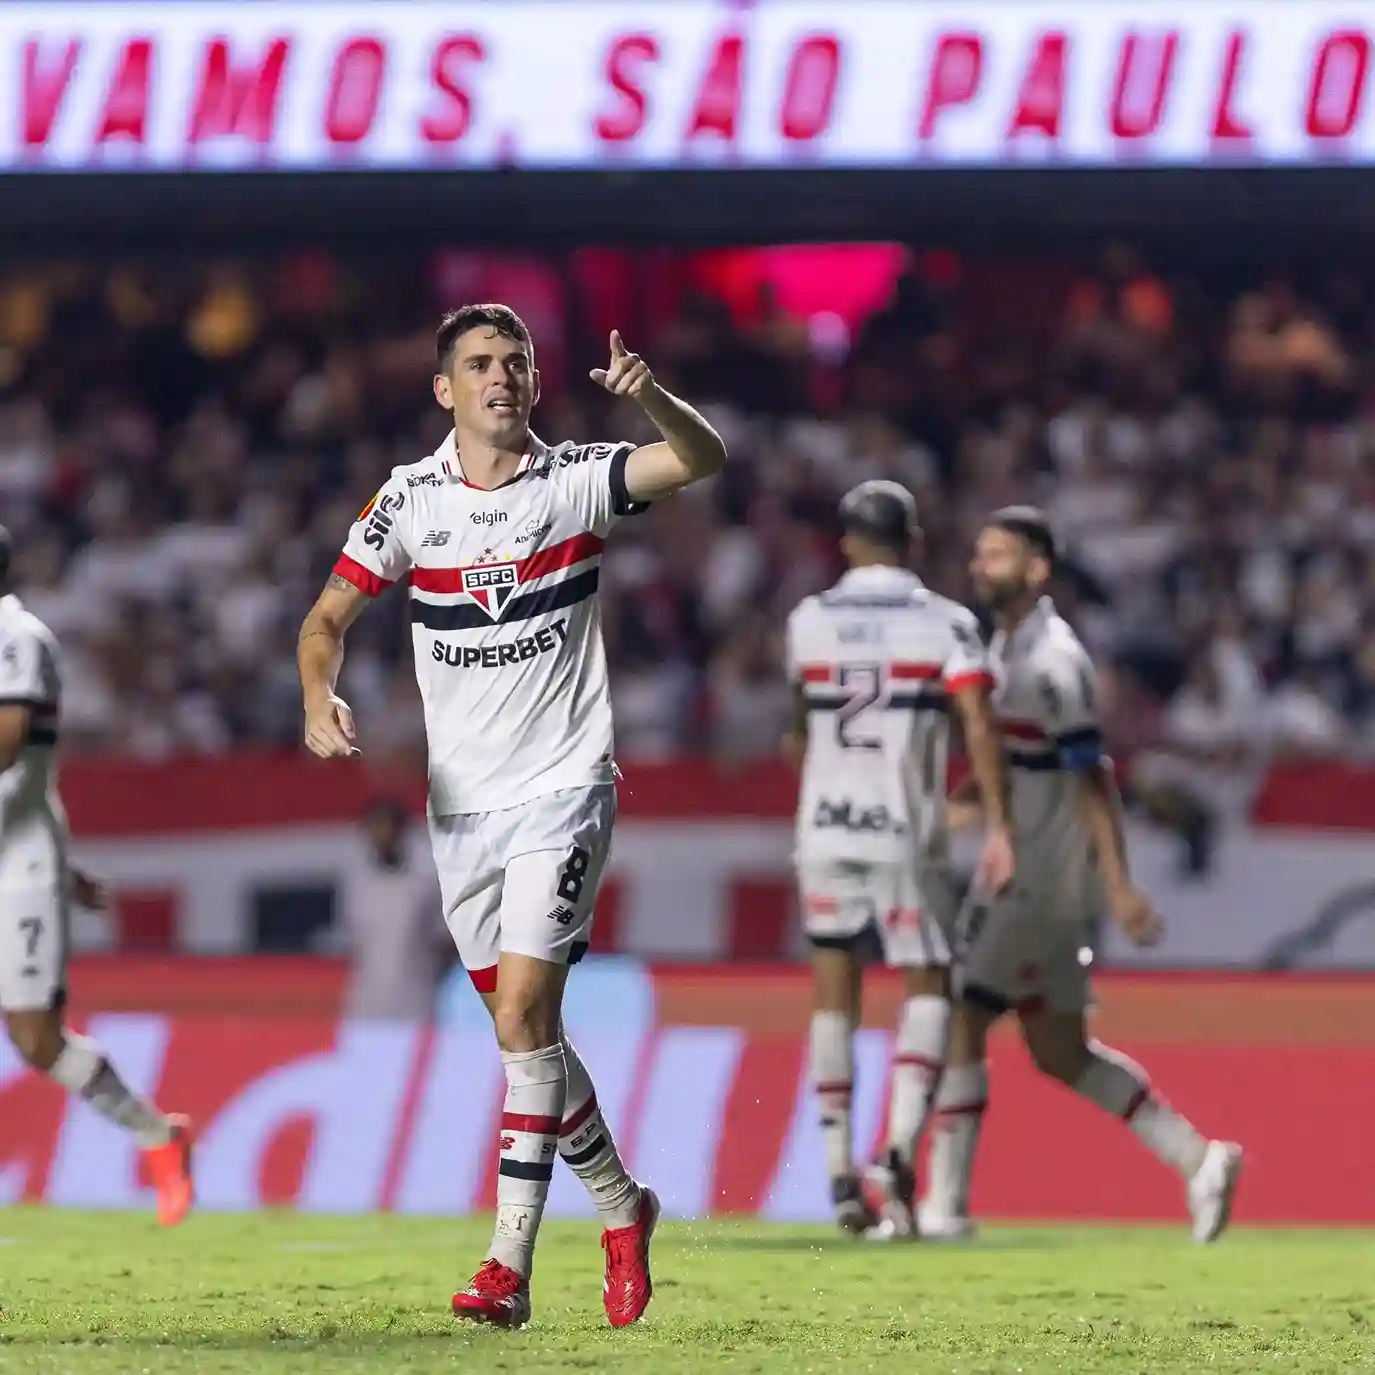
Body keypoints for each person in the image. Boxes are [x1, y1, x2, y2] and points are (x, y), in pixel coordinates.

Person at [297, 305, 727, 1327]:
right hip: (462, 811)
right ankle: (623, 1206)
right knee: (522, 1031)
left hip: (564, 788)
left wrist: (654, 396)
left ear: (534, 382)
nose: (502, 377)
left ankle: (507, 1264)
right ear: (444, 389)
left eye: (517, 362)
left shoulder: (575, 479)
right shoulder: (408, 501)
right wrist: (318, 694)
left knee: (527, 1012)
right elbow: (325, 618)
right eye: (481, 364)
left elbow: (700, 459)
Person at [922, 507, 1242, 1242]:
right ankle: (1199, 1158)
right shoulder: (1007, 644)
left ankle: (945, 1204)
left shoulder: (1055, 661)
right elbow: (1021, 758)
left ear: (1037, 569)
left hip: (1039, 875)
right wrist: (965, 805)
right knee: (1057, 1050)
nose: (980, 567)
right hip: (1036, 869)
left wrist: (1119, 885)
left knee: (963, 1010)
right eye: (979, 553)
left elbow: (1091, 775)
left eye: (996, 555)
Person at [782, 481, 1014, 1240]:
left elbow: (795, 734)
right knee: (927, 980)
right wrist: (992, 811)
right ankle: (897, 1150)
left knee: (831, 990)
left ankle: (835, 1167)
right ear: (913, 541)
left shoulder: (807, 620)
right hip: (901, 829)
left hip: (823, 826)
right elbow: (977, 717)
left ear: (846, 543)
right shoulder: (943, 622)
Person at [0, 524, 192, 1225]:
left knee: (37, 1041)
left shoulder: (19, 636)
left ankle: (159, 1136)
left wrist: (56, 865)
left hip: (17, 866)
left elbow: (12, 740)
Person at [337, 798, 444, 1021]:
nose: (381, 834)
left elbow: (444, 941)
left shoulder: (424, 884)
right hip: (367, 1005)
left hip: (415, 1002)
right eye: (375, 827)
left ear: (400, 831)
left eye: (386, 826)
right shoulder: (357, 884)